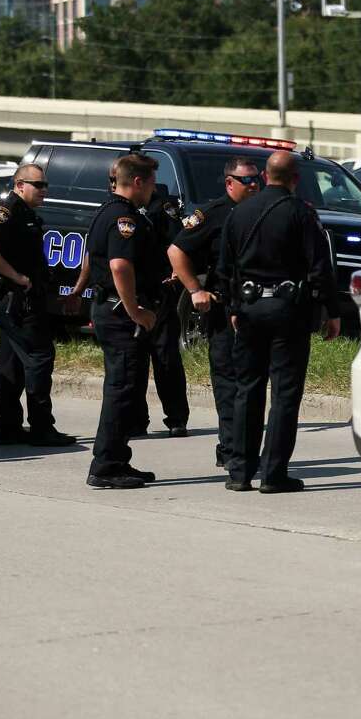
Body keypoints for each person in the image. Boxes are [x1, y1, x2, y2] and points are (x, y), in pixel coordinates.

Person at [217, 151, 342, 493]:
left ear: (264, 177)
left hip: (248, 309)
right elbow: (320, 268)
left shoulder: (238, 212)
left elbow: (225, 268)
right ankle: (273, 475)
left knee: (247, 389)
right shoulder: (301, 213)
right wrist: (332, 311)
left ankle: (239, 472)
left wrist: (232, 306)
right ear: (295, 179)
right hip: (288, 311)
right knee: (285, 394)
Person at [167, 157, 261, 472]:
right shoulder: (211, 215)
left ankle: (240, 446)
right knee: (230, 383)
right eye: (246, 180)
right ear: (229, 182)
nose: (253, 185)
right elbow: (176, 252)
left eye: (256, 179)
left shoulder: (261, 211)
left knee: (252, 383)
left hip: (256, 310)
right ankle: (233, 449)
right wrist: (195, 290)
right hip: (223, 310)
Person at [0, 164, 75, 447]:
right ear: (19, 185)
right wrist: (15, 276)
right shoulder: (6, 210)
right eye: (38, 185)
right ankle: (42, 427)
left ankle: (9, 427)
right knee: (39, 356)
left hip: (17, 300)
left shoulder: (25, 212)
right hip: (13, 300)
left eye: (45, 185)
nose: (45, 191)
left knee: (12, 362)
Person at [84, 154, 164, 489]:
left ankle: (116, 458)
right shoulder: (122, 218)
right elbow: (119, 266)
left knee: (123, 388)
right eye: (151, 183)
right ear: (138, 182)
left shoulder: (107, 211)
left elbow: (92, 257)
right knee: (122, 389)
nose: (154, 190)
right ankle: (106, 465)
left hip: (112, 311)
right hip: (121, 316)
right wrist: (135, 311)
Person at [131, 186, 190, 438]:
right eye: (111, 180)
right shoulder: (119, 208)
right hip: (133, 292)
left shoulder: (163, 207)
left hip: (160, 290)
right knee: (133, 361)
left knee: (166, 357)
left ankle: (176, 418)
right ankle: (135, 419)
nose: (113, 184)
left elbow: (178, 241)